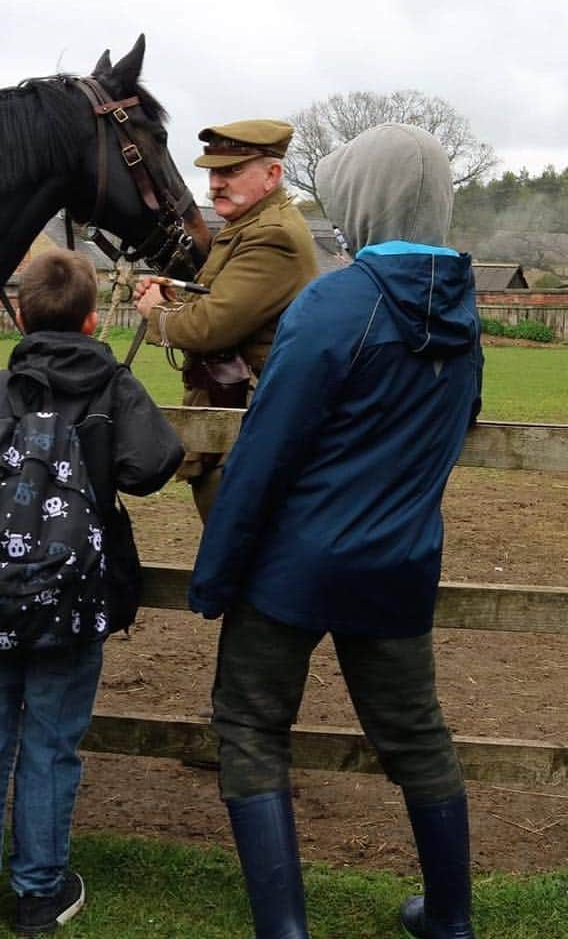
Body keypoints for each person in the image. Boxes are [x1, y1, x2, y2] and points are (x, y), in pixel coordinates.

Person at [188, 125, 483, 939]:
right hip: (397, 561)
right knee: (416, 735)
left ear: (361, 197)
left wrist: (215, 575)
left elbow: (265, 452)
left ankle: (285, 931)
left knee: (251, 726)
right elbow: (461, 423)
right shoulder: (465, 311)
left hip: (294, 564)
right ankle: (451, 920)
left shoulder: (336, 300)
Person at [0, 249, 183, 938]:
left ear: (20, 314)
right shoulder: (113, 385)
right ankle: (38, 892)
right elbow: (154, 464)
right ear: (93, 317)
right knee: (50, 743)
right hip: (71, 600)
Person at [134, 119, 318, 520]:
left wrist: (157, 313)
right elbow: (225, 306)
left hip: (249, 427)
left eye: (231, 171)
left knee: (239, 558)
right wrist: (176, 300)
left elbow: (212, 327)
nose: (216, 183)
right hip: (235, 417)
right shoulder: (249, 225)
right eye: (213, 171)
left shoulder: (272, 235)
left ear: (272, 174)